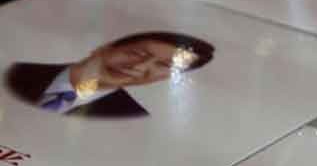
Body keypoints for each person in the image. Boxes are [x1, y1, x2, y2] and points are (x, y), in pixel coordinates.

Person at [4, 31, 214, 117]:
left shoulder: (129, 116)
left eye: (164, 65)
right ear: (105, 47)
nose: (138, 67)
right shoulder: (17, 72)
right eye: (137, 53)